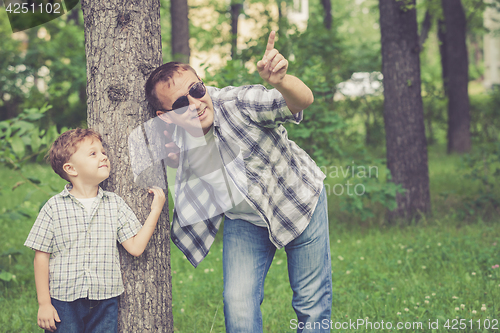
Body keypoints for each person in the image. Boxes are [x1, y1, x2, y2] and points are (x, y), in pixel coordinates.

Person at [144, 31, 332, 332]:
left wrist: (281, 81)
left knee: (311, 305)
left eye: (196, 89)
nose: (195, 103)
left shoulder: (239, 102)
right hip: (244, 220)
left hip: (298, 200)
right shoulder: (173, 139)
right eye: (180, 103)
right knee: (237, 303)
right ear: (164, 116)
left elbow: (301, 102)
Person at [24, 128, 166, 333]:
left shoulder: (114, 204)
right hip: (63, 301)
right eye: (93, 153)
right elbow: (41, 257)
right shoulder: (53, 208)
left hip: (105, 300)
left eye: (103, 152)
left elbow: (136, 247)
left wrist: (155, 210)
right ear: (71, 169)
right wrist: (44, 303)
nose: (103, 157)